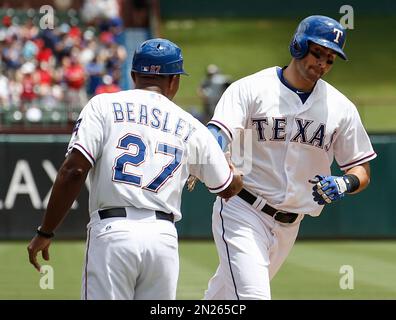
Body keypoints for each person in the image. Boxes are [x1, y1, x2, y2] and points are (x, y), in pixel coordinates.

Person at [27, 38, 243, 300]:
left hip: (113, 231)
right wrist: (235, 173)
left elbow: (73, 170)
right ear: (174, 80)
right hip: (163, 238)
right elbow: (228, 188)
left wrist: (45, 231)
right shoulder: (191, 125)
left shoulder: (103, 105)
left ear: (133, 75)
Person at [204, 15, 377, 300]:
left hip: (290, 223)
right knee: (254, 297)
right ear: (297, 45)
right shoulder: (252, 89)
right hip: (243, 210)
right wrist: (210, 155)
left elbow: (361, 168)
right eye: (317, 52)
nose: (322, 63)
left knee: (222, 298)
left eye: (330, 59)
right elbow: (219, 131)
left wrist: (345, 183)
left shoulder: (340, 107)